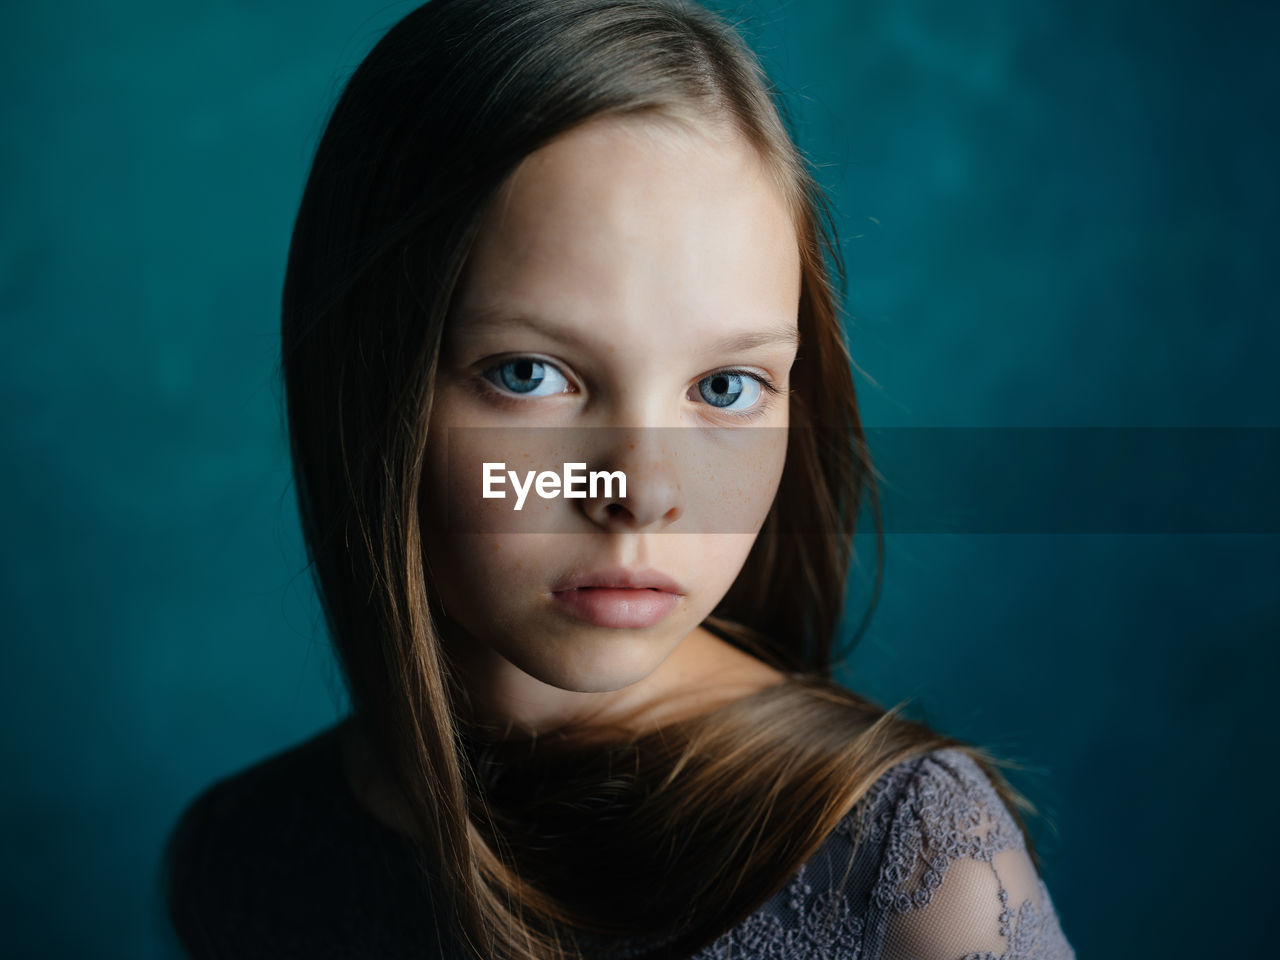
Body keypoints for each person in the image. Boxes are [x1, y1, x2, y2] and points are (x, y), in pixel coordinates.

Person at [161, 1, 1076, 957]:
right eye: (531, 375)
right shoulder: (244, 859)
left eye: (726, 387)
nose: (642, 495)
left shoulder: (915, 866)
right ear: (366, 386)